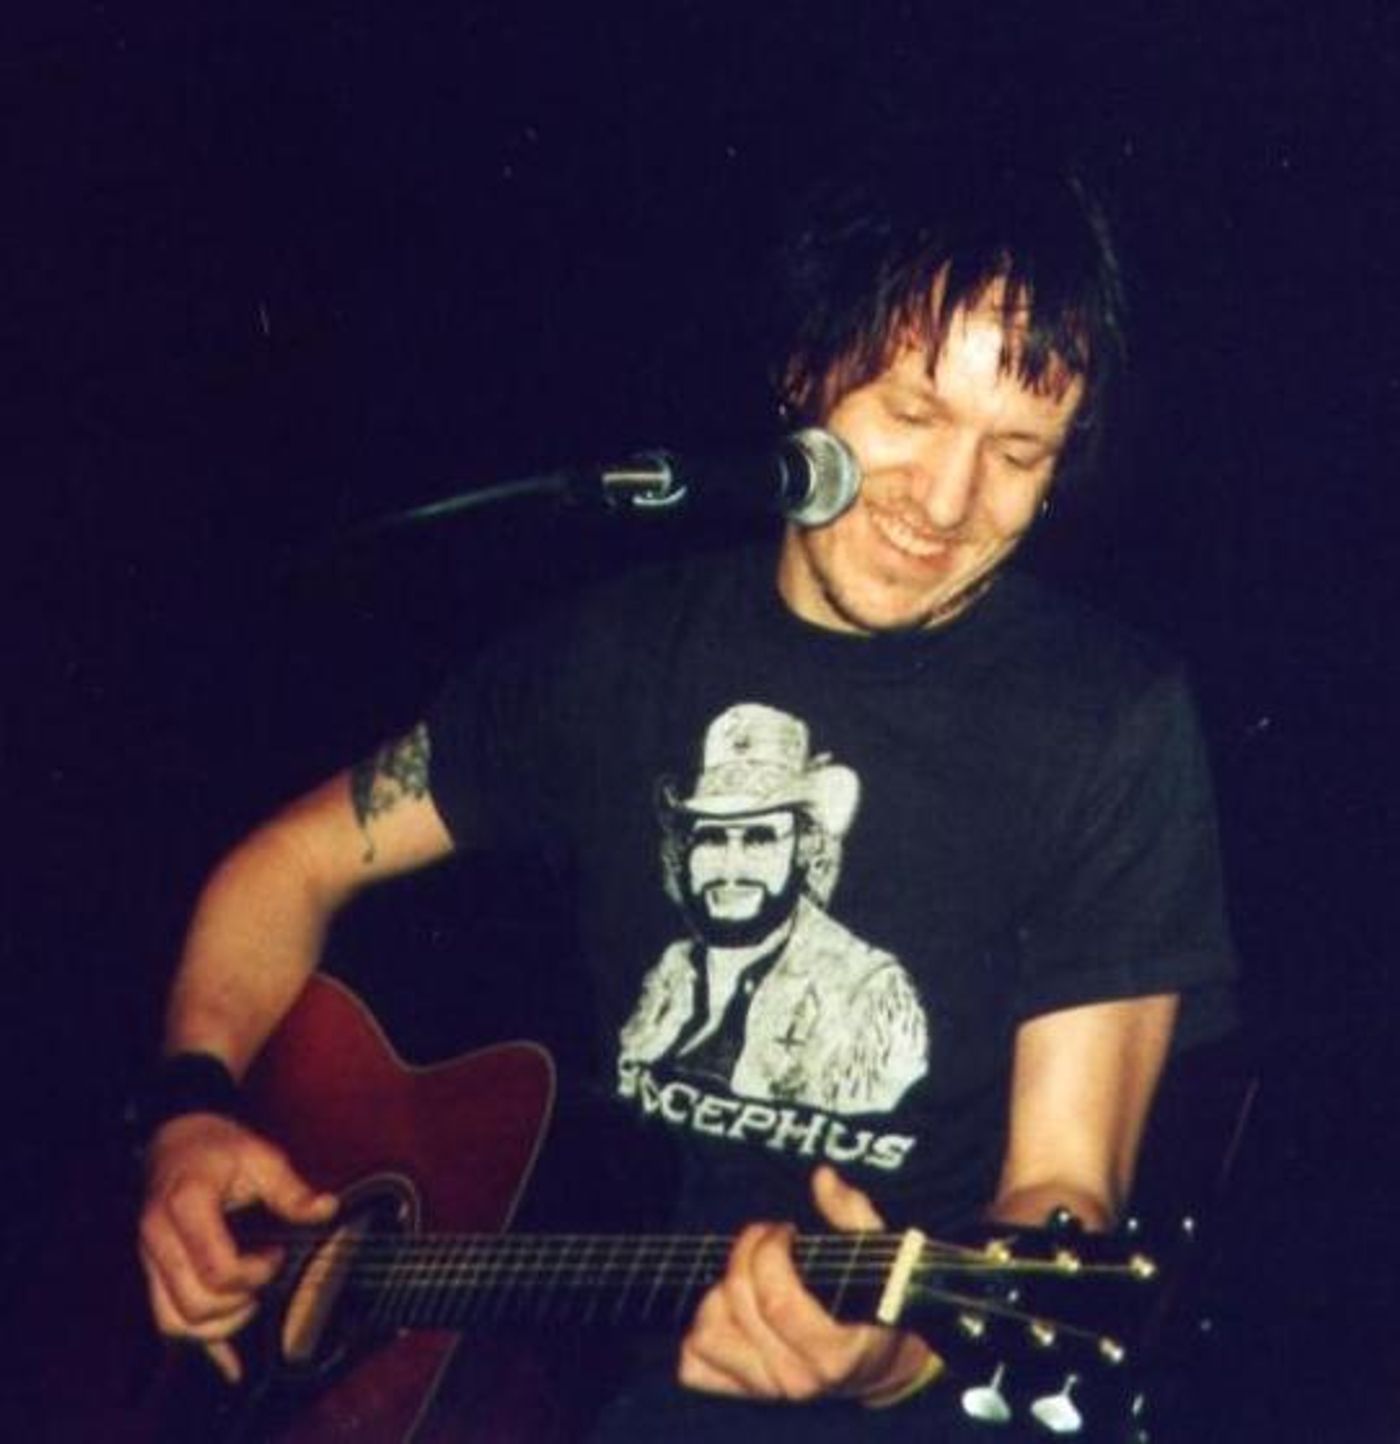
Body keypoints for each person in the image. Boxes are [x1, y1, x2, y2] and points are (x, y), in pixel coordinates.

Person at [134, 151, 1236, 1439]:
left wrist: (891, 1358)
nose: (947, 502)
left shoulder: (1108, 718)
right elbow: (294, 862)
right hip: (622, 1337)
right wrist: (189, 1113)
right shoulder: (614, 655)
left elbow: (1065, 1196)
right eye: (911, 414)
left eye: (1018, 452)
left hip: (937, 1371)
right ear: (804, 371)